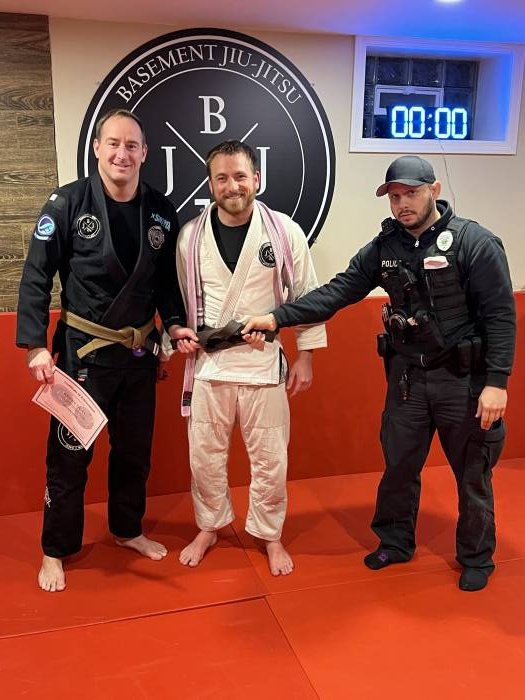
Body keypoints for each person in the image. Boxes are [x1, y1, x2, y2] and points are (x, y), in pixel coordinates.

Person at [243, 155, 516, 591]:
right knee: (399, 466)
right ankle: (395, 541)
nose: (402, 203)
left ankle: (476, 557)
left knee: (472, 474)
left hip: (463, 381)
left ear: (434, 190)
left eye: (411, 193)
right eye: (394, 196)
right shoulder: (385, 248)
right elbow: (337, 292)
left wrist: (497, 383)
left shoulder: (475, 243)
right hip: (409, 380)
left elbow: (501, 317)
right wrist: (277, 317)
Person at [16, 109, 196, 592]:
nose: (122, 153)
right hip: (83, 355)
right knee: (69, 456)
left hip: (138, 355)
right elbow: (36, 275)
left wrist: (174, 325)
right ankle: (55, 549)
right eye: (113, 143)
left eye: (132, 145)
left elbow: (166, 282)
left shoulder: (160, 211)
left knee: (134, 452)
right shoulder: (67, 203)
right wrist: (35, 345)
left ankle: (127, 529)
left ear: (145, 153)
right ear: (97, 148)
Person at [172, 140, 326, 576]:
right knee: (204, 457)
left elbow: (307, 297)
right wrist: (177, 337)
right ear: (210, 185)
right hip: (210, 366)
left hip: (264, 364)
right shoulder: (190, 237)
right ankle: (210, 525)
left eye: (240, 176)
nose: (232, 185)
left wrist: (306, 356)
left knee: (271, 460)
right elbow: (182, 302)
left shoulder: (284, 232)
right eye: (221, 178)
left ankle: (269, 534)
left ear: (256, 178)